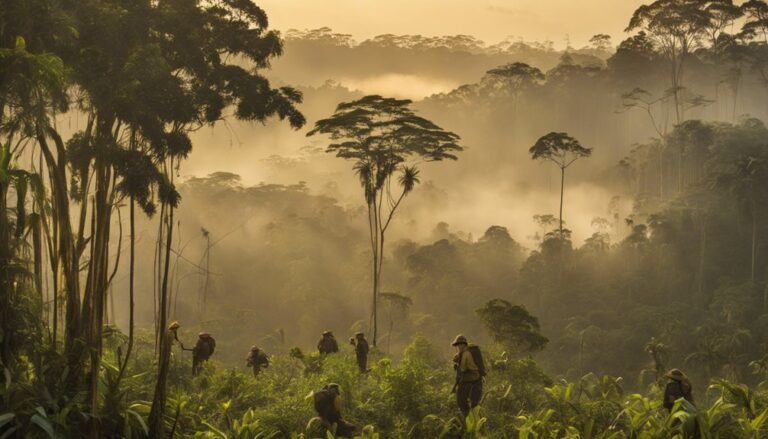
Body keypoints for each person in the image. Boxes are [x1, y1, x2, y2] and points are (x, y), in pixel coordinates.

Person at [451, 334, 483, 418]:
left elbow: (463, 369)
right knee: (474, 405)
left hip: (469, 381)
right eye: (457, 345)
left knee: (461, 401)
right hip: (477, 380)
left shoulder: (466, 354)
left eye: (459, 345)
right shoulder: (466, 352)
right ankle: (473, 420)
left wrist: (457, 365)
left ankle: (469, 419)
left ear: (463, 344)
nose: (458, 347)